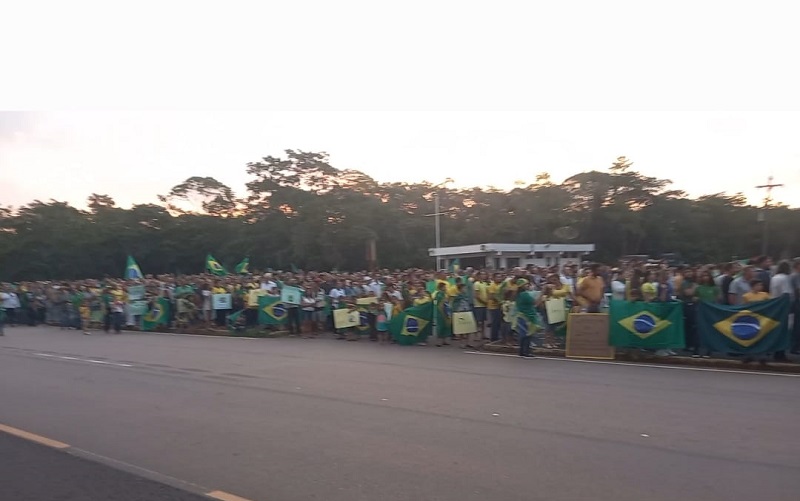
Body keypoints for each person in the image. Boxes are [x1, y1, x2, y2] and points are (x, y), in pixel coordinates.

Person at [515, 280, 540, 358]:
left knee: (523, 334)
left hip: (522, 315)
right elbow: (535, 303)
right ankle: (526, 351)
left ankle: (522, 351)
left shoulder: (519, 294)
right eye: (526, 284)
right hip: (527, 316)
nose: (528, 286)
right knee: (528, 334)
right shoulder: (524, 294)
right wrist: (543, 293)